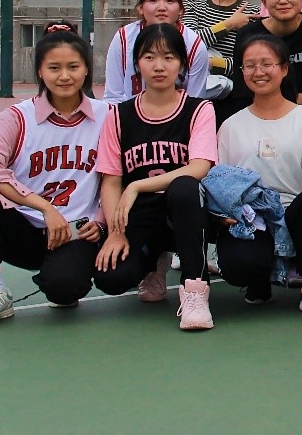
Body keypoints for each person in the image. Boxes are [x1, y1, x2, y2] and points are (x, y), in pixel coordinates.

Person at [0, 23, 108, 328]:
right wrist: (44, 207)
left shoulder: (107, 115)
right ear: (40, 71)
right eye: (54, 68)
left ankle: (60, 277)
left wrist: (101, 221)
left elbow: (118, 175)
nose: (64, 76)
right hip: (24, 229)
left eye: (73, 66)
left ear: (87, 69)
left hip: (75, 232)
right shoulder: (18, 117)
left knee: (64, 290)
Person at [92, 24, 218, 330]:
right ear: (137, 64)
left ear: (182, 64)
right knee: (111, 278)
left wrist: (137, 185)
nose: (159, 66)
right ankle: (153, 263)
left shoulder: (199, 109)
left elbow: (199, 167)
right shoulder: (118, 115)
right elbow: (111, 180)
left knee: (185, 187)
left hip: (186, 212)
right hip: (142, 215)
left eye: (168, 57)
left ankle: (195, 288)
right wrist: (115, 233)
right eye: (149, 57)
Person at [215, 35, 302, 314]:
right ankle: (259, 278)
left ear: (283, 69)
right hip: (253, 218)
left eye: (267, 63)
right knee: (239, 265)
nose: (258, 72)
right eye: (250, 65)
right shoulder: (231, 126)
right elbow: (221, 182)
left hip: (297, 215)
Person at [103, 0, 209, 103]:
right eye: (153, 0)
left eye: (170, 1)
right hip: (128, 114)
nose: (161, 7)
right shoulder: (123, 38)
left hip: (179, 115)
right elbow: (113, 96)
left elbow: (195, 102)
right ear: (140, 8)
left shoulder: (194, 45)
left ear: (181, 9)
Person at [182, 0, 261, 106]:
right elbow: (187, 47)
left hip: (236, 99)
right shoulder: (192, 4)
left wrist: (210, 62)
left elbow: (250, 65)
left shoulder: (252, 13)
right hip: (194, 98)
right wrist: (228, 24)